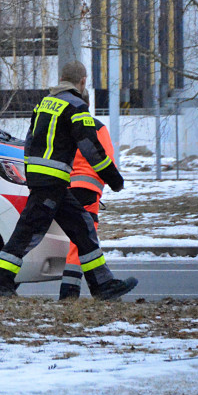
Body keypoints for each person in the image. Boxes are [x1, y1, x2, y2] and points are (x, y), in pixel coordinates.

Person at [0, 61, 137, 301]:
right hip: (52, 183)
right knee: (27, 234)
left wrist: (34, 175)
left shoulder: (45, 103)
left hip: (46, 181)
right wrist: (114, 179)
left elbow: (31, 139)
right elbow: (91, 148)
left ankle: (103, 285)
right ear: (83, 81)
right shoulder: (76, 106)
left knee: (83, 229)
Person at [60, 104, 115, 300]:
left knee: (78, 239)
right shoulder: (97, 127)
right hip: (88, 190)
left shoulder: (62, 126)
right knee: (82, 240)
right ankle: (70, 291)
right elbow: (106, 161)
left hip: (64, 188)